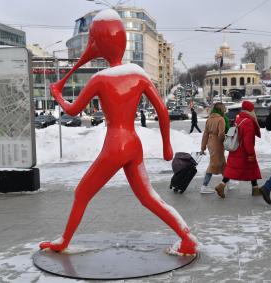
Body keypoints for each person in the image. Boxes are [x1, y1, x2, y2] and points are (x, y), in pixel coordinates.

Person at [39, 9, 197, 256]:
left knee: (82, 193)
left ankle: (64, 241)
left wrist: (58, 95)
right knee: (148, 198)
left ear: (99, 45)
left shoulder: (99, 79)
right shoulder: (138, 74)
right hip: (133, 144)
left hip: (115, 146)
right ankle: (186, 237)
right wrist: (167, 146)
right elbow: (163, 113)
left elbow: (73, 109)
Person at [215, 101, 262, 198]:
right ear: (250, 110)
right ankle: (255, 189)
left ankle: (255, 189)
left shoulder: (239, 119)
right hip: (244, 151)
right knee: (250, 168)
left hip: (236, 149)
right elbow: (247, 140)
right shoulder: (248, 121)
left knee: (235, 169)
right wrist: (251, 153)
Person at [199, 102, 230, 194]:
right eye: (224, 108)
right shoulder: (221, 119)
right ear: (221, 109)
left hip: (211, 143)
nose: (225, 110)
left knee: (223, 164)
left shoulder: (209, 119)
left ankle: (226, 183)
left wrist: (203, 147)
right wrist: (226, 141)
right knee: (213, 165)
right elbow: (221, 134)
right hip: (218, 144)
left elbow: (205, 134)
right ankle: (204, 186)